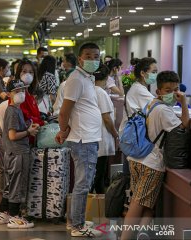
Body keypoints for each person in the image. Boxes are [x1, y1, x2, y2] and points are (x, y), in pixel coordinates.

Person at [121, 71, 189, 240]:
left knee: (147, 201)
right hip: (151, 164)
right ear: (158, 91)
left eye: (175, 90)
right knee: (138, 202)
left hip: (136, 158)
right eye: (167, 90)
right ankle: (125, 237)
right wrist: (184, 103)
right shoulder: (164, 111)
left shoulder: (151, 104)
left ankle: (143, 233)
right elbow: (183, 127)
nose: (172, 94)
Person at [55, 42, 103, 237]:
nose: (93, 60)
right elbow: (64, 112)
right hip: (83, 139)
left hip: (87, 137)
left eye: (96, 56)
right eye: (88, 56)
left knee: (84, 182)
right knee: (83, 183)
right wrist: (63, 130)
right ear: (80, 59)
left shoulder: (86, 78)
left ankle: (76, 220)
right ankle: (77, 225)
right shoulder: (76, 79)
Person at [0, 79, 39, 229]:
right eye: (17, 91)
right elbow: (13, 135)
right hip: (18, 152)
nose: (21, 93)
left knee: (10, 184)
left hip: (12, 152)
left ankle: (3, 213)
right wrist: (29, 132)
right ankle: (14, 217)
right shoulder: (13, 111)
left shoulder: (15, 110)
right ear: (8, 94)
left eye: (22, 90)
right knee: (17, 186)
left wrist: (27, 126)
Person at [119, 57, 158, 175]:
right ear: (142, 73)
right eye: (153, 72)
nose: (155, 75)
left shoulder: (137, 87)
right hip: (134, 136)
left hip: (131, 136)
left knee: (129, 170)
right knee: (130, 174)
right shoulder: (139, 90)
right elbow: (157, 107)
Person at [91, 64, 119, 194]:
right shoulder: (101, 92)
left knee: (96, 175)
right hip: (101, 138)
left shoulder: (91, 90)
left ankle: (97, 204)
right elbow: (106, 118)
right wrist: (115, 134)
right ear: (107, 77)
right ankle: (98, 207)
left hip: (94, 138)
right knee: (98, 176)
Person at [15, 59, 44, 126]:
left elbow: (35, 115)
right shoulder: (18, 95)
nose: (27, 75)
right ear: (19, 73)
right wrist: (41, 123)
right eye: (24, 71)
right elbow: (25, 118)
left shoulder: (30, 93)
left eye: (31, 72)